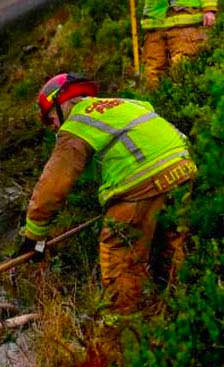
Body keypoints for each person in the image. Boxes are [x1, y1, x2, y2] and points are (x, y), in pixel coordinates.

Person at [20, 73, 196, 315]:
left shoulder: (77, 124)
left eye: (50, 120)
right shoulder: (126, 104)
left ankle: (120, 337)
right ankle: (180, 319)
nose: (54, 128)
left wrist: (34, 235)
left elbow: (53, 185)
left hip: (140, 185)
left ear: (61, 105)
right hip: (184, 171)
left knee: (120, 264)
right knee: (174, 253)